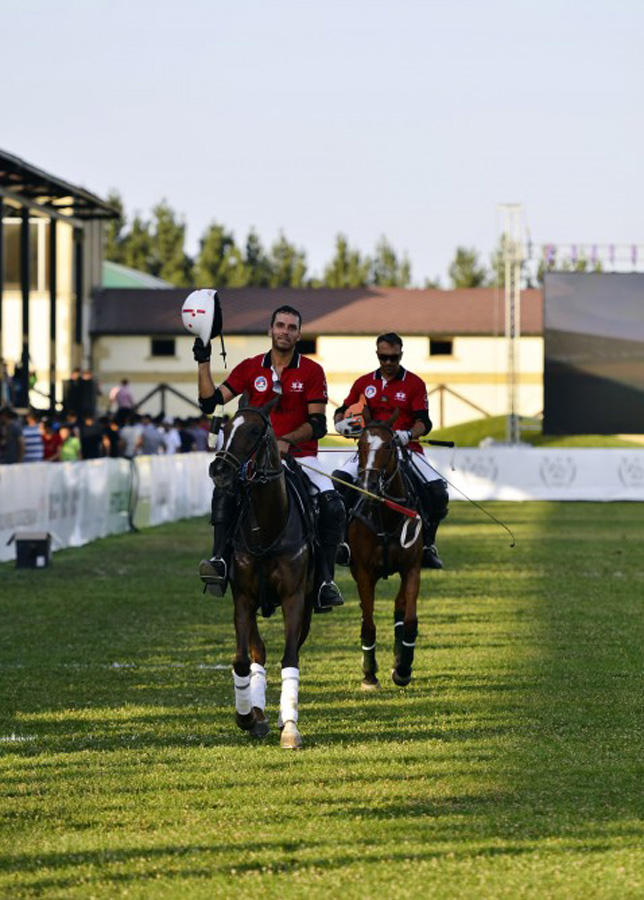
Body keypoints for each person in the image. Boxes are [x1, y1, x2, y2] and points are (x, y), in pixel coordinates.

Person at [194, 304, 345, 611]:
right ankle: (220, 561)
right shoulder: (250, 368)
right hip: (253, 461)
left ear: (299, 334)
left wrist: (286, 441)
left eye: (291, 327)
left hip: (300, 457)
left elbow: (318, 424)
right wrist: (203, 362)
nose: (285, 331)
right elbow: (210, 402)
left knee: (332, 504)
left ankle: (326, 580)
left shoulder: (312, 371)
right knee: (224, 492)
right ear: (270, 330)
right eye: (280, 325)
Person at [333, 332, 449, 569]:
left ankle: (427, 544)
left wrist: (408, 434)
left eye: (393, 358)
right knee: (339, 483)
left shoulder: (414, 383)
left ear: (401, 355)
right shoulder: (363, 383)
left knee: (437, 492)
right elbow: (343, 410)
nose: (388, 363)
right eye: (384, 357)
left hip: (406, 449)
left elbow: (424, 422)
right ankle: (343, 543)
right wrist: (340, 424)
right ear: (377, 355)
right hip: (371, 450)